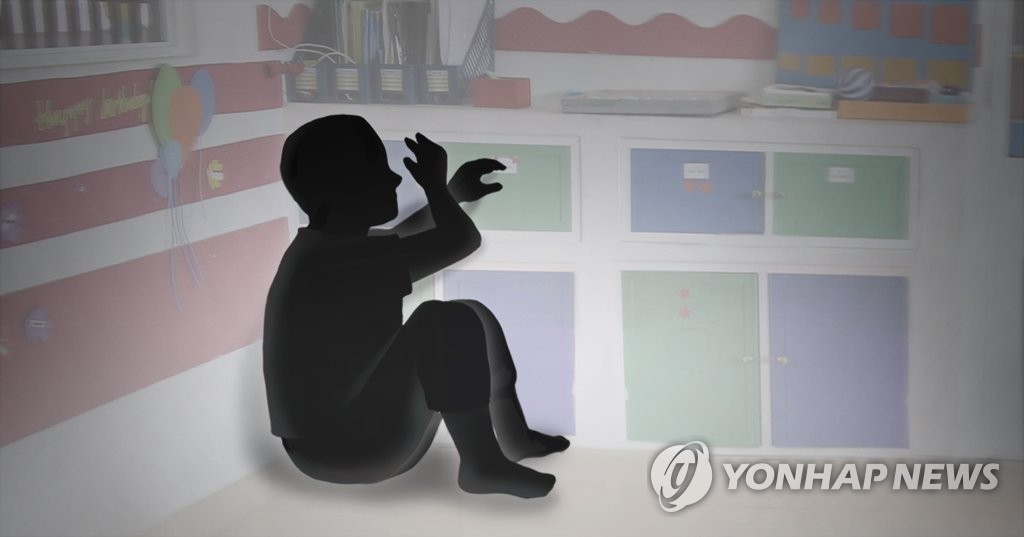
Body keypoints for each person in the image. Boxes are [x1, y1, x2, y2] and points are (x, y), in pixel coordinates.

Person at [263, 115, 568, 499]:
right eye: (378, 170)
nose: (394, 179)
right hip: (348, 450)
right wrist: (434, 186)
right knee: (444, 320)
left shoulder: (322, 248)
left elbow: (404, 238)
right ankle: (482, 465)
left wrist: (452, 193)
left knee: (471, 311)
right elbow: (459, 240)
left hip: (329, 444)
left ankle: (512, 437)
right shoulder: (340, 262)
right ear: (345, 186)